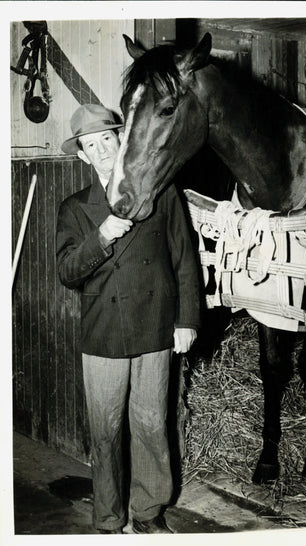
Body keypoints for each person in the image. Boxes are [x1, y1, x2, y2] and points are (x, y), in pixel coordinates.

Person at [56, 104, 200, 534]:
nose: (101, 150)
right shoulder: (75, 209)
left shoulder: (162, 190)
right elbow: (66, 272)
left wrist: (187, 319)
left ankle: (148, 512)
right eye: (90, 145)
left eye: (106, 139)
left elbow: (184, 258)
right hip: (103, 335)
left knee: (153, 425)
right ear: (81, 155)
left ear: (122, 140)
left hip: (157, 327)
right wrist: (103, 234)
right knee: (106, 431)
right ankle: (107, 518)